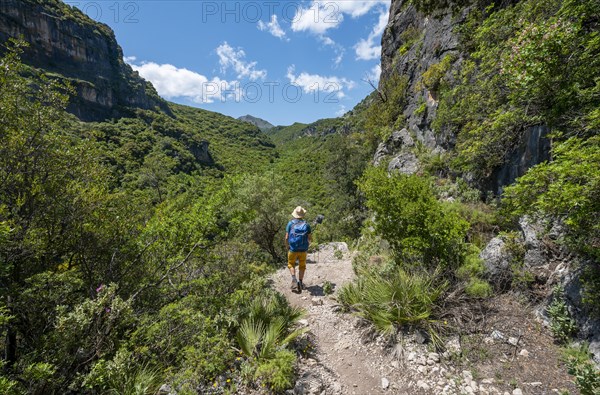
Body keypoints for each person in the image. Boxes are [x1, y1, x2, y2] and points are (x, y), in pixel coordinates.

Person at [285, 206, 312, 293]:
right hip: (303, 249)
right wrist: (308, 245)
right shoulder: (306, 225)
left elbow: (286, 237)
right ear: (302, 215)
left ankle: (294, 279)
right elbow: (310, 238)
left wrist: (287, 246)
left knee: (291, 264)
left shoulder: (290, 224)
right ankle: (300, 282)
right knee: (302, 266)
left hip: (293, 249)